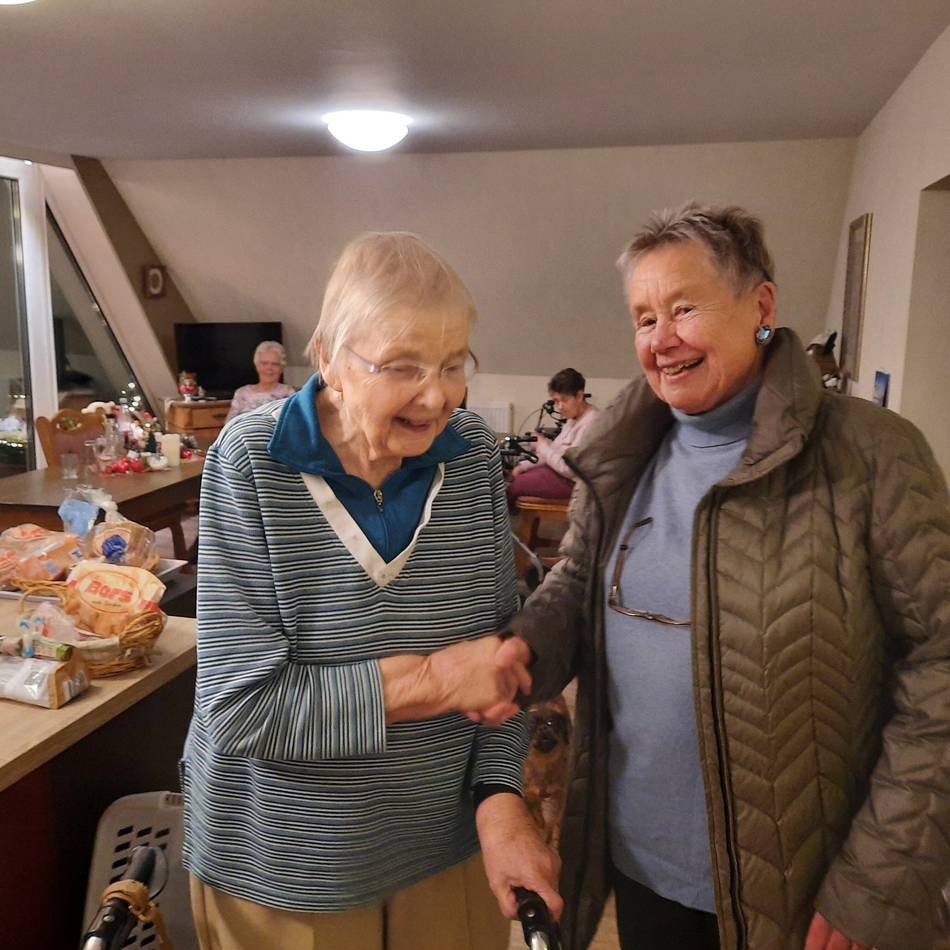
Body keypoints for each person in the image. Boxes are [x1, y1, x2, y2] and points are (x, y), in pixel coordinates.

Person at [499, 204, 950, 950]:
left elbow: (941, 664)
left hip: (806, 891)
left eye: (683, 308)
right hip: (642, 867)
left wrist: (881, 876)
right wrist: (523, 649)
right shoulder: (622, 453)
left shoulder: (873, 456)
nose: (660, 339)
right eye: (644, 319)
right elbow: (577, 584)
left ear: (761, 306)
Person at [182, 232, 560, 949]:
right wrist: (433, 680)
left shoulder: (473, 453)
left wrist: (500, 800)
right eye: (403, 365)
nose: (437, 393)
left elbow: (496, 665)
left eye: (454, 364)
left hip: (444, 845)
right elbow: (240, 709)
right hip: (289, 865)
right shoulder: (249, 463)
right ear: (327, 358)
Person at [506, 368, 600, 507]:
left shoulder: (592, 421)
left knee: (518, 485)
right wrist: (524, 466)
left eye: (564, 400)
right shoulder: (574, 418)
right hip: (562, 475)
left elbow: (569, 469)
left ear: (579, 396)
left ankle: (504, 523)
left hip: (578, 484)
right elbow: (554, 450)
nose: (559, 406)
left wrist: (542, 445)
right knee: (519, 477)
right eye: (556, 401)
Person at [224, 340, 296, 422]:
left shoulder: (289, 393)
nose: (269, 368)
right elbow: (229, 424)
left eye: (275, 364)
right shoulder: (242, 393)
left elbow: (293, 422)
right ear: (257, 366)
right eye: (264, 363)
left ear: (281, 368)